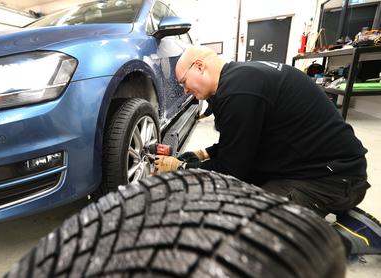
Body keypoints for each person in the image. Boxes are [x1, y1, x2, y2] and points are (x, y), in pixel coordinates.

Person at [155, 46, 381, 255]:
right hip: (308, 166)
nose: (184, 90)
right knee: (234, 199)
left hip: (333, 179)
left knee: (253, 241)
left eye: (184, 82)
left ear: (200, 66)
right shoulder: (237, 79)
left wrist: (183, 168)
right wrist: (203, 154)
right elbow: (243, 142)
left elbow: (231, 170)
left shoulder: (239, 94)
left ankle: (355, 234)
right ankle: (315, 211)